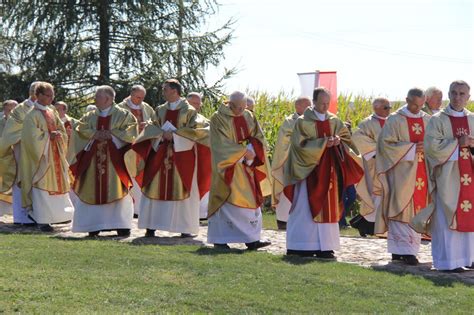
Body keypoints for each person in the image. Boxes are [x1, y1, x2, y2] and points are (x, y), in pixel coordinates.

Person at [284, 87, 364, 258]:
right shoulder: (303, 122)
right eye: (321, 103)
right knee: (305, 207)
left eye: (327, 103)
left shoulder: (334, 121)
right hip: (309, 171)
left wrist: (338, 142)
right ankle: (300, 245)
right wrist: (322, 144)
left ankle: (326, 247)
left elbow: (349, 143)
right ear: (314, 102)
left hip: (330, 170)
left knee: (329, 207)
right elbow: (299, 147)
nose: (325, 107)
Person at [412, 80, 474, 272]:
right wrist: (458, 143)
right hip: (447, 177)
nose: (457, 97)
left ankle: (469, 258)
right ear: (448, 94)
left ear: (468, 97)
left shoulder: (472, 119)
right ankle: (448, 261)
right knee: (447, 217)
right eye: (454, 93)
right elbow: (431, 149)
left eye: (462, 94)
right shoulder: (437, 120)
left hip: (470, 176)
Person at [133, 79, 207, 237]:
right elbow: (152, 127)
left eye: (165, 89)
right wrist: (160, 135)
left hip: (182, 157)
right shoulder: (159, 110)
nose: (163, 92)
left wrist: (174, 136)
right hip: (160, 155)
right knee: (154, 185)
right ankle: (151, 226)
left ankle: (185, 228)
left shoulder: (189, 110)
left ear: (174, 91)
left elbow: (197, 131)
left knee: (183, 188)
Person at [69, 85, 137, 237]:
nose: (95, 99)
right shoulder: (89, 116)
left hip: (115, 163)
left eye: (97, 96)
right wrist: (94, 134)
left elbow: (131, 132)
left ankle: (121, 225)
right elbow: (79, 130)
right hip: (93, 162)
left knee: (118, 189)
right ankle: (93, 225)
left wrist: (112, 135)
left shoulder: (123, 115)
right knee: (91, 189)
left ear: (108, 98)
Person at [207, 91, 272, 250]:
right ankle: (220, 240)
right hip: (229, 167)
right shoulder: (218, 118)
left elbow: (259, 136)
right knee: (228, 199)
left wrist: (254, 148)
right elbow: (219, 144)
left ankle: (252, 239)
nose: (243, 111)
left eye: (245, 107)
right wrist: (242, 152)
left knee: (251, 202)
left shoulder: (249, 116)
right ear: (230, 104)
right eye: (239, 108)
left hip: (247, 166)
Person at [375, 88, 430, 265]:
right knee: (400, 207)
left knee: (417, 209)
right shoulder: (395, 119)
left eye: (421, 105)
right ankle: (400, 251)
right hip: (400, 173)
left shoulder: (427, 119)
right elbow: (385, 146)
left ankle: (410, 251)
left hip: (422, 171)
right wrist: (412, 148)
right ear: (407, 100)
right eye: (414, 104)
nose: (417, 108)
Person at [20, 82, 74, 231]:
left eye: (53, 95)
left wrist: (59, 135)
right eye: (48, 95)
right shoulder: (32, 115)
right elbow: (30, 138)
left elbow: (61, 130)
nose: (52, 98)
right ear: (39, 95)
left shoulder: (52, 112)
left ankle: (59, 216)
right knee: (42, 185)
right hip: (42, 159)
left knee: (59, 184)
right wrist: (48, 135)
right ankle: (42, 219)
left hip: (55, 154)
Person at [0, 81, 41, 225]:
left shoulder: (46, 108)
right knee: (21, 181)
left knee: (38, 180)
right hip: (22, 151)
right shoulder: (20, 110)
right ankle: (20, 216)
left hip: (40, 152)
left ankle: (38, 214)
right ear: (34, 93)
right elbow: (11, 132)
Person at [350, 98, 391, 236]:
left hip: (391, 164)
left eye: (389, 107)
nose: (389, 110)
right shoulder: (367, 123)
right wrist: (376, 152)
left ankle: (379, 226)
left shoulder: (393, 121)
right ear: (376, 108)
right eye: (386, 107)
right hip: (374, 165)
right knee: (375, 195)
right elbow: (357, 137)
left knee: (387, 195)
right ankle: (366, 225)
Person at [271, 96, 311, 230]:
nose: (310, 108)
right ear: (298, 107)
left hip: (308, 164)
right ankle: (282, 221)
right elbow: (286, 140)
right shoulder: (289, 121)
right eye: (307, 106)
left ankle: (301, 221)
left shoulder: (313, 120)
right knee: (287, 192)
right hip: (290, 164)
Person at [117, 85, 155, 217]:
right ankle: (129, 207)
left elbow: (155, 122)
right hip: (126, 147)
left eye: (142, 97)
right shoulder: (120, 108)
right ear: (131, 94)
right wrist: (134, 127)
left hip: (143, 147)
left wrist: (147, 125)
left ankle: (139, 208)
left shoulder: (147, 108)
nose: (140, 100)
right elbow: (117, 126)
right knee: (127, 175)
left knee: (141, 175)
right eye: (138, 97)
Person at [186, 92, 212, 221]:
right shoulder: (182, 118)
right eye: (193, 103)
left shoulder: (204, 121)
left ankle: (201, 213)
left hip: (201, 158)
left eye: (198, 104)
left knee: (201, 181)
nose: (196, 106)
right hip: (184, 157)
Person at [0, 100, 18, 217]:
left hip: (17, 157)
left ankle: (16, 211)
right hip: (3, 157)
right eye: (8, 110)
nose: (10, 112)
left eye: (13, 110)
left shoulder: (21, 123)